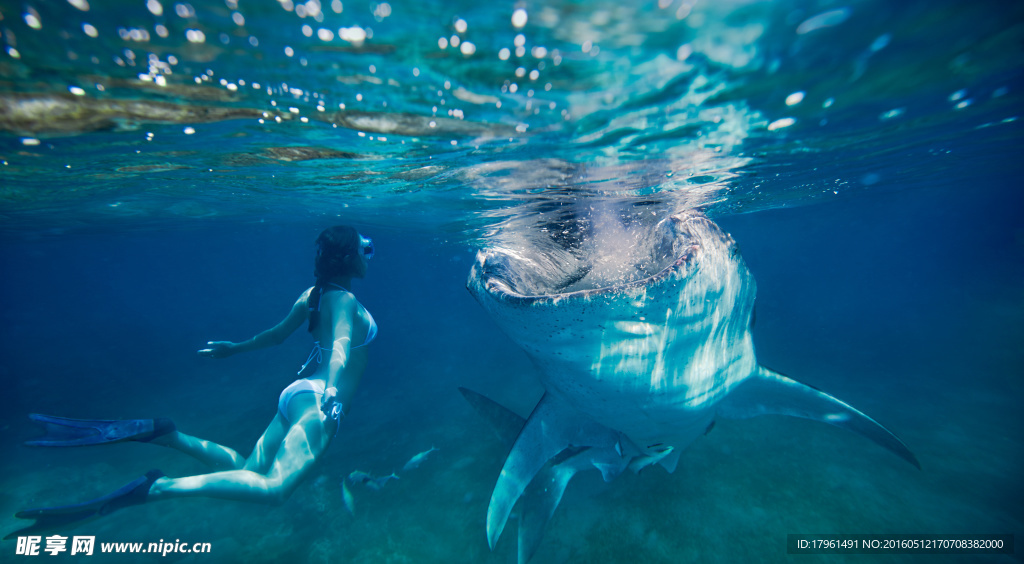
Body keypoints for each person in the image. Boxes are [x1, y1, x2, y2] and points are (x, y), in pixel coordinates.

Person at [5, 226, 377, 540]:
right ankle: (159, 488)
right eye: (364, 251)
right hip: (321, 401)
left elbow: (276, 336)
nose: (368, 257)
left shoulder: (312, 295)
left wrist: (234, 349)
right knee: (274, 489)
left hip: (297, 396)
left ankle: (169, 435)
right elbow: (341, 344)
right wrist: (331, 388)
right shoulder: (343, 301)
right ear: (347, 259)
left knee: (248, 471)